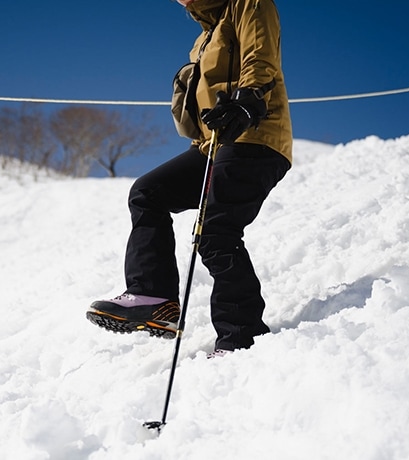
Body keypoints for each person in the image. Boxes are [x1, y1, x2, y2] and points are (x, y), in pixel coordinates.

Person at [86, 0, 293, 355]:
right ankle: (154, 299)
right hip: (213, 144)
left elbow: (260, 57)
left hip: (255, 137)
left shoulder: (248, 4)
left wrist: (248, 99)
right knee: (148, 192)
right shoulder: (204, 37)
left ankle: (242, 338)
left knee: (216, 231)